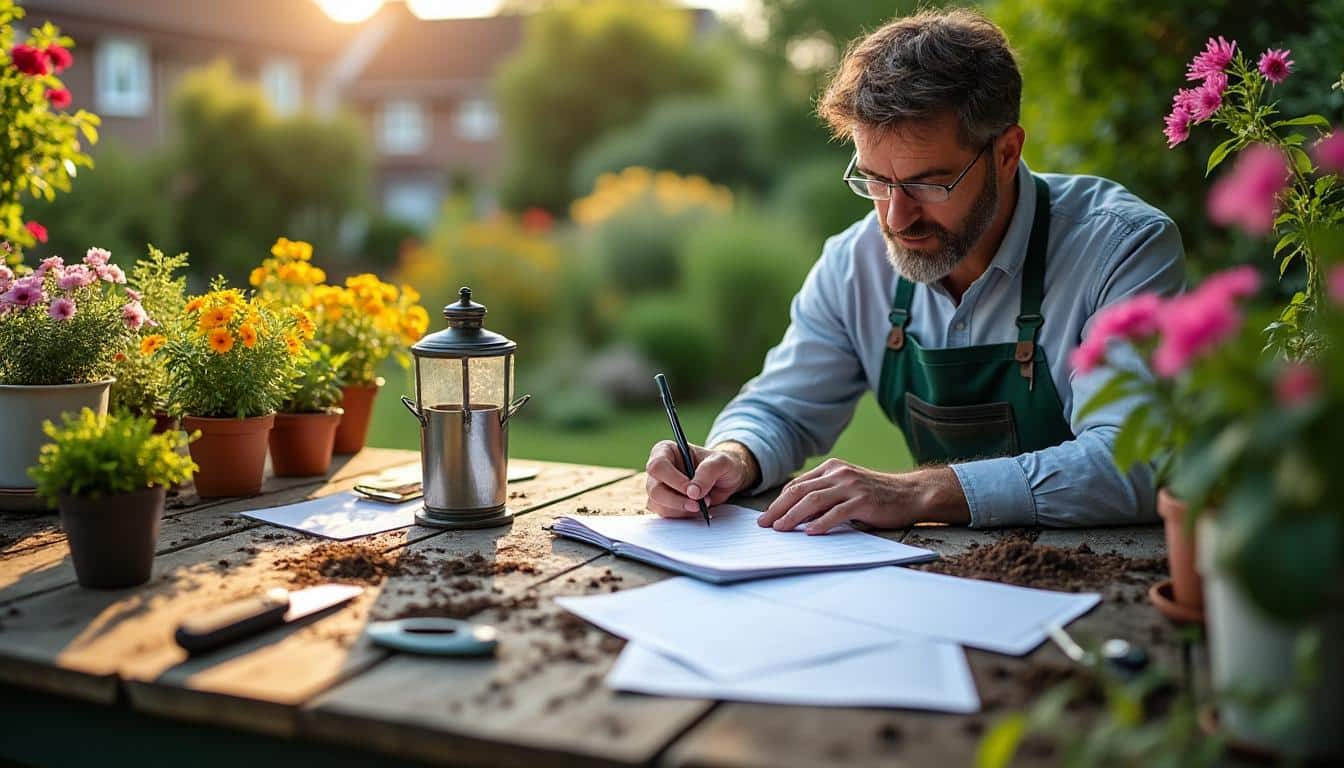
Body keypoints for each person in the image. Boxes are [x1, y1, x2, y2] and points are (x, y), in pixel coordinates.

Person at [644, 8, 1184, 533]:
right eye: (876, 180)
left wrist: (921, 491)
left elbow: (1134, 460)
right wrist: (731, 456)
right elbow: (781, 408)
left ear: (1006, 152)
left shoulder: (1121, 248)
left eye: (930, 183)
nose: (897, 217)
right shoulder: (854, 264)